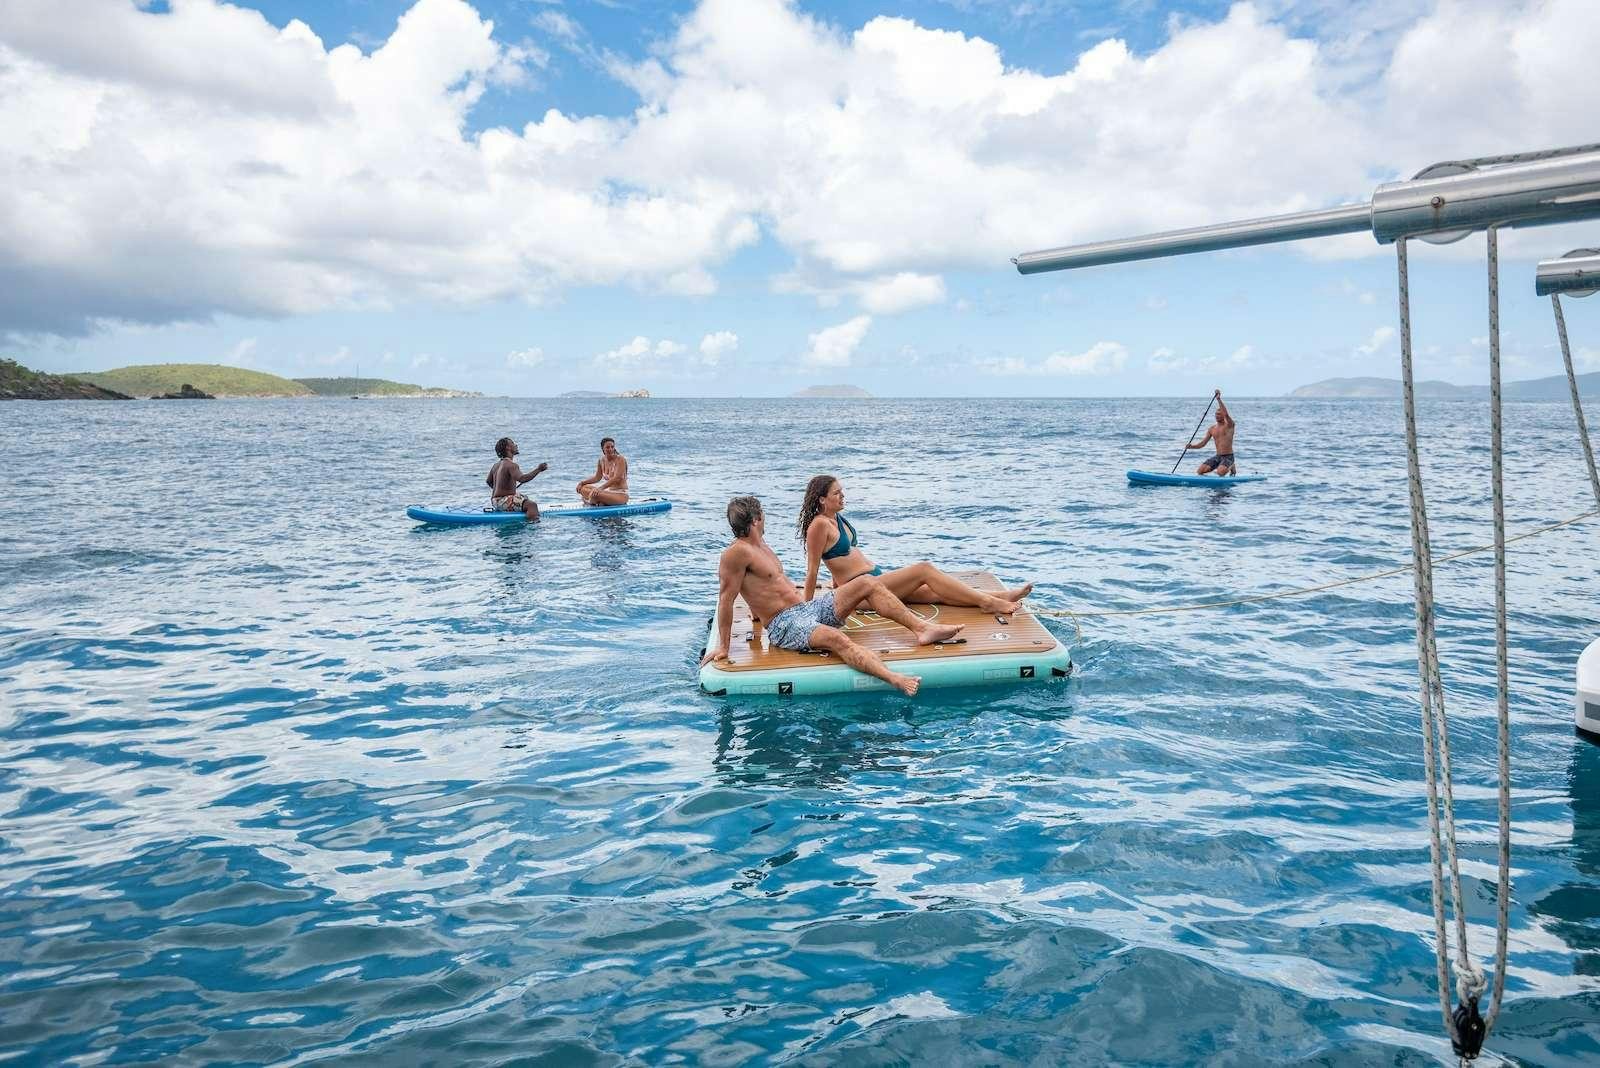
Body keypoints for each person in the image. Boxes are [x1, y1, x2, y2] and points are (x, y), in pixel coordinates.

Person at [701, 496, 964, 697]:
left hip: (806, 610)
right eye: (764, 516)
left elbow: (761, 588)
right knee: (836, 638)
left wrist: (757, 614)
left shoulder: (760, 546)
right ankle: (893, 678)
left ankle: (922, 629)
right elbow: (726, 598)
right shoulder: (736, 553)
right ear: (757, 519)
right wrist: (724, 646)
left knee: (867, 583)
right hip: (785, 625)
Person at [798, 475, 1033, 615]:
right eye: (837, 493)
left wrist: (836, 582)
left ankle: (1002, 595)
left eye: (842, 491)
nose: (843, 496)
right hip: (862, 592)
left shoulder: (836, 518)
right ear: (822, 499)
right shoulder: (818, 526)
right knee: (924, 569)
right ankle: (989, 602)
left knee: (934, 592)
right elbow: (813, 570)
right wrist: (806, 610)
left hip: (875, 580)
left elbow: (841, 561)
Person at [486, 437, 548, 520]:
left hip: (494, 502)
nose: (516, 445)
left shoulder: (496, 465)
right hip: (502, 502)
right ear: (508, 448)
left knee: (524, 498)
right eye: (513, 443)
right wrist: (538, 469)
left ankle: (519, 509)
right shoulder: (511, 465)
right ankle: (532, 528)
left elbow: (489, 481)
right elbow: (522, 478)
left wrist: (502, 489)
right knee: (532, 505)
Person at [1189, 389, 1238, 476]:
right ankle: (1221, 467)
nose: (1217, 416)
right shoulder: (1212, 429)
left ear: (1223, 415)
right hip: (1218, 456)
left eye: (1219, 414)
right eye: (1216, 414)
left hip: (1228, 456)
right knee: (1200, 471)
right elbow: (1203, 444)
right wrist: (1192, 447)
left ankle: (1232, 466)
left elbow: (1226, 414)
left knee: (1220, 472)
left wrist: (1218, 399)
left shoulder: (1229, 425)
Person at [576, 436, 629, 506]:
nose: (610, 449)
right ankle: (598, 501)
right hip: (608, 493)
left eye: (612, 447)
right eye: (607, 447)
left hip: (621, 495)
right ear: (603, 449)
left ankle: (591, 501)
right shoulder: (601, 461)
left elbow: (617, 478)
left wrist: (600, 488)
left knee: (594, 495)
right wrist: (582, 483)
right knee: (583, 488)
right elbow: (597, 478)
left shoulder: (620, 459)